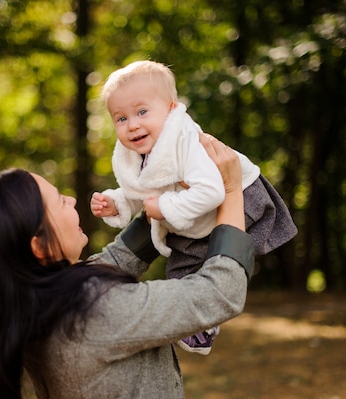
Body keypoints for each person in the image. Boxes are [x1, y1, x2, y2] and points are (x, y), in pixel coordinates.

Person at [0, 133, 254, 399]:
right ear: (38, 246)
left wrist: (164, 204)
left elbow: (116, 259)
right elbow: (218, 293)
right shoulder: (94, 312)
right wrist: (230, 190)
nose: (72, 200)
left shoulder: (34, 305)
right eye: (60, 202)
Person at [91, 60, 297, 354]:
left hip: (240, 193)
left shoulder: (186, 141)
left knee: (213, 265)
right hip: (194, 211)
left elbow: (213, 191)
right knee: (180, 275)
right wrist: (116, 202)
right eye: (120, 118)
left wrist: (163, 206)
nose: (132, 124)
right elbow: (141, 192)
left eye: (141, 112)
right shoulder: (141, 153)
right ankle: (200, 329)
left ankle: (206, 321)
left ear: (171, 108)